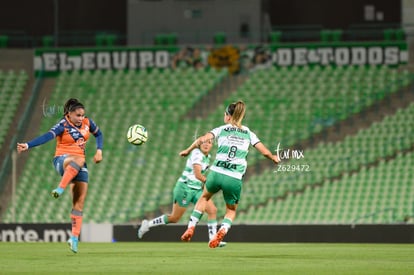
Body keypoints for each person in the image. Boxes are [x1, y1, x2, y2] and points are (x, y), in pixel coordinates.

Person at [179, 100, 279, 248]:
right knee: (231, 210)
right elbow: (264, 151)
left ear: (227, 116)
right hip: (234, 178)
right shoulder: (248, 133)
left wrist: (188, 150)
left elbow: (202, 139)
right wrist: (273, 157)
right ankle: (222, 231)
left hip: (216, 173)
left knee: (204, 197)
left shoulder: (221, 129)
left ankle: (191, 226)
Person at [17, 98, 103, 253]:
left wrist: (99, 150)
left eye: (83, 115)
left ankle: (74, 238)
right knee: (79, 158)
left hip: (79, 166)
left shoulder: (87, 123)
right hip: (62, 160)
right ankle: (60, 188)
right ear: (69, 114)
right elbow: (47, 136)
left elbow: (99, 134)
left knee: (79, 203)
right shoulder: (62, 125)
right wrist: (28, 145)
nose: (81, 118)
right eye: (78, 115)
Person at [137, 139, 226, 247]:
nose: (207, 144)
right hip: (185, 188)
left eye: (209, 143)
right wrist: (211, 184)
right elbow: (198, 174)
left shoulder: (208, 157)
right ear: (199, 144)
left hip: (197, 189)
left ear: (212, 145)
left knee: (212, 210)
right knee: (174, 218)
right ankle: (147, 224)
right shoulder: (197, 154)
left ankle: (213, 239)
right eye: (204, 142)